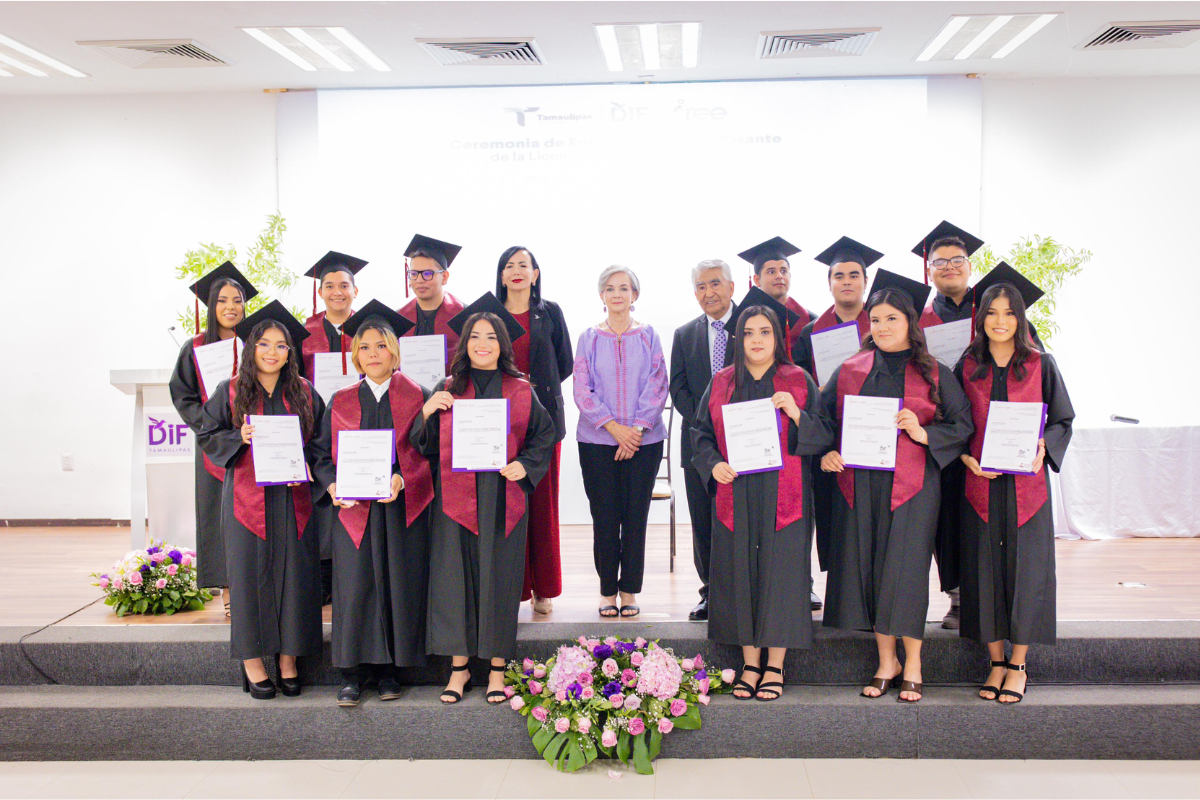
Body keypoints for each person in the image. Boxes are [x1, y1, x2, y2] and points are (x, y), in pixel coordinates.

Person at [818, 272, 973, 703]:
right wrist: (829, 451)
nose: (882, 327)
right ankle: (887, 661)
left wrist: (925, 433)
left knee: (904, 570)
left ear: (910, 322)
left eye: (891, 319)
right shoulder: (850, 369)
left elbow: (961, 425)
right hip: (861, 482)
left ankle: (915, 662)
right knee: (870, 568)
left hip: (914, 485)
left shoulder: (934, 372)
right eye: (876, 319)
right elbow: (825, 420)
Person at [411, 299, 556, 705]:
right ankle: (458, 670)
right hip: (454, 500)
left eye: (491, 336)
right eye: (475, 336)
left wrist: (524, 466)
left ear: (503, 344)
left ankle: (496, 669)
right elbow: (421, 445)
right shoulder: (447, 389)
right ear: (464, 343)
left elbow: (545, 435)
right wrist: (427, 411)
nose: (482, 343)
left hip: (500, 500)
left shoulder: (520, 389)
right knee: (452, 581)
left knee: (499, 578)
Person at [691, 305, 832, 701]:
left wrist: (796, 413)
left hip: (784, 495)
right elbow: (700, 433)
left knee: (783, 574)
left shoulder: (798, 380)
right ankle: (751, 662)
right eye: (748, 332)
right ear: (738, 339)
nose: (756, 339)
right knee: (738, 574)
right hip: (735, 489)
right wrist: (713, 463)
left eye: (765, 332)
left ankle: (775, 665)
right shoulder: (721, 382)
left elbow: (824, 434)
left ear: (777, 338)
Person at [912, 223, 1044, 631]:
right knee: (946, 518)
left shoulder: (995, 307)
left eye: (957, 260)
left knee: (986, 518)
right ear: (928, 270)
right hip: (944, 432)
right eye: (940, 262)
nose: (949, 267)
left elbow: (1034, 368)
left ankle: (993, 597)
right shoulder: (918, 319)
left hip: (994, 436)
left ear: (969, 266)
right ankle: (956, 596)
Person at [196, 301, 325, 701]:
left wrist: (304, 466)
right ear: (251, 348)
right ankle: (253, 663)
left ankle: (289, 660)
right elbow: (207, 434)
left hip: (292, 500)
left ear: (290, 352)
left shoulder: (303, 391)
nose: (272, 352)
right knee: (250, 579)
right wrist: (240, 438)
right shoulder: (231, 390)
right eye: (265, 344)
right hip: (246, 503)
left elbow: (321, 446)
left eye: (281, 346)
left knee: (295, 579)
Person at [955, 273, 1073, 704]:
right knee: (985, 571)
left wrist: (1046, 446)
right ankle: (995, 663)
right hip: (980, 485)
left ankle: (1018, 664)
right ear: (981, 318)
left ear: (1020, 318)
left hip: (1028, 488)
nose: (999, 321)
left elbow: (1063, 420)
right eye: (991, 313)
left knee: (1026, 571)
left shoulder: (1041, 364)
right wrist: (966, 458)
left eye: (1008, 313)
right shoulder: (967, 366)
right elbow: (957, 425)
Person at [310, 300, 435, 707]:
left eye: (381, 346)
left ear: (394, 350)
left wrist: (403, 478)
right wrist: (331, 487)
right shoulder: (341, 399)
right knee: (355, 587)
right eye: (365, 348)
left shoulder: (417, 395)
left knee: (397, 584)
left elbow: (431, 453)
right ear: (355, 356)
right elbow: (321, 455)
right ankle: (352, 673)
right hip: (354, 512)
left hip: (399, 508)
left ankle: (390, 671)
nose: (373, 354)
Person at [575, 266, 669, 619]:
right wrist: (615, 429)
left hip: (645, 442)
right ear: (602, 296)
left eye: (624, 288)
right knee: (604, 515)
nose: (617, 294)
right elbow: (582, 390)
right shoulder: (588, 338)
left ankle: (629, 589)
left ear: (635, 295)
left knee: (634, 517)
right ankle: (606, 591)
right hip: (597, 441)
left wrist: (637, 431)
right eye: (610, 288)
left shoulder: (649, 336)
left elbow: (658, 383)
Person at [795, 237, 883, 608]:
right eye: (839, 276)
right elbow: (797, 382)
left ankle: (876, 588)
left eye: (854, 275)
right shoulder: (810, 332)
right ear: (829, 283)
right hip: (827, 434)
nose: (846, 281)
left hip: (875, 431)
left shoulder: (883, 323)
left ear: (866, 280)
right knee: (830, 512)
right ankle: (840, 591)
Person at [169, 261, 257, 611]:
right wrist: (209, 426)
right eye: (223, 300)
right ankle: (229, 592)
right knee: (217, 515)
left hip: (252, 438)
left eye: (237, 300)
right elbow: (183, 394)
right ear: (211, 306)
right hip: (214, 442)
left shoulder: (254, 341)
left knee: (248, 514)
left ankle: (253, 587)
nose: (231, 306)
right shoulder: (195, 347)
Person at [495, 246, 573, 616]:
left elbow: (565, 362)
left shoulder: (550, 313)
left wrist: (534, 391)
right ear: (501, 274)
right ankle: (514, 585)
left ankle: (544, 588)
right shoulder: (489, 316)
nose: (516, 271)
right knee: (508, 506)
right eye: (509, 265)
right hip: (501, 424)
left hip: (543, 423)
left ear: (535, 274)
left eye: (523, 265)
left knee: (543, 506)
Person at [669, 259, 737, 621]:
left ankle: (746, 589)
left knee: (743, 517)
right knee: (704, 520)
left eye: (715, 284)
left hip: (745, 441)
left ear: (731, 287)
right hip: (697, 443)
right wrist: (705, 420)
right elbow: (677, 386)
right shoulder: (684, 334)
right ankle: (711, 592)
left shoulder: (753, 325)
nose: (708, 292)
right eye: (700, 286)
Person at [301, 251, 369, 606]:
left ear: (355, 291)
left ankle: (354, 574)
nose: (337, 291)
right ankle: (325, 577)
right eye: (329, 285)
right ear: (320, 291)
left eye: (344, 285)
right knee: (322, 495)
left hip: (360, 425)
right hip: (317, 426)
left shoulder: (369, 328)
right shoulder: (305, 332)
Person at [397, 234, 465, 370]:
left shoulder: (465, 316)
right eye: (414, 274)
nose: (420, 280)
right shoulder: (398, 318)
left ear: (444, 277)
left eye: (428, 273)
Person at [738, 236, 816, 354]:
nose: (779, 276)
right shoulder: (742, 319)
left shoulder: (810, 320)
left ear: (790, 276)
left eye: (784, 271)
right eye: (771, 271)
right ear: (757, 280)